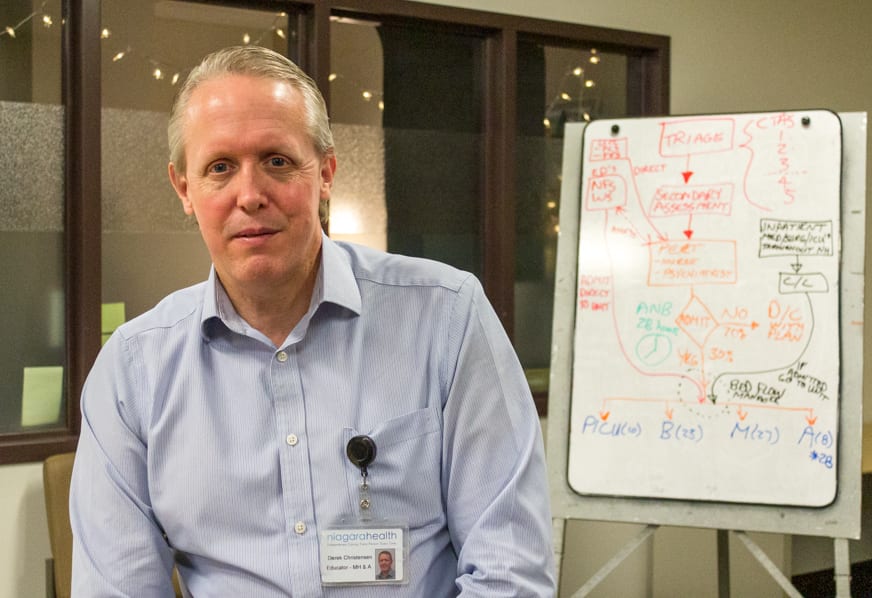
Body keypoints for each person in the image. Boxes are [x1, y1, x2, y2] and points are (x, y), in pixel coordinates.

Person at [69, 45, 556, 597]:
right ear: (185, 188)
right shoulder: (134, 373)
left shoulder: (447, 317)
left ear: (325, 173)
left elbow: (510, 569)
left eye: (277, 160)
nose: (249, 195)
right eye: (219, 168)